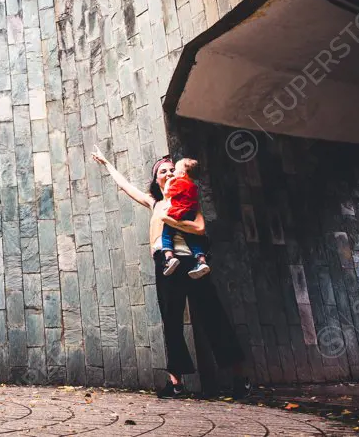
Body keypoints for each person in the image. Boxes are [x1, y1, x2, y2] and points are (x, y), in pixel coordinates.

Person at [91, 147, 250, 400]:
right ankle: (176, 383)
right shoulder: (155, 203)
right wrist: (107, 163)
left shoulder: (187, 202)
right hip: (166, 265)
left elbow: (199, 227)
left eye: (170, 169)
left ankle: (240, 379)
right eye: (161, 171)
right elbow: (125, 186)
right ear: (157, 180)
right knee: (171, 322)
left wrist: (172, 220)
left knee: (213, 316)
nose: (167, 172)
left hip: (193, 263)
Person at [161, 158, 210, 279]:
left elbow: (167, 193)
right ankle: (201, 261)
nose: (172, 174)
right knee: (192, 238)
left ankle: (169, 258)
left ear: (182, 174)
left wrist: (170, 182)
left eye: (175, 170)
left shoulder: (180, 182)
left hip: (177, 212)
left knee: (166, 234)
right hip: (190, 214)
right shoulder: (193, 186)